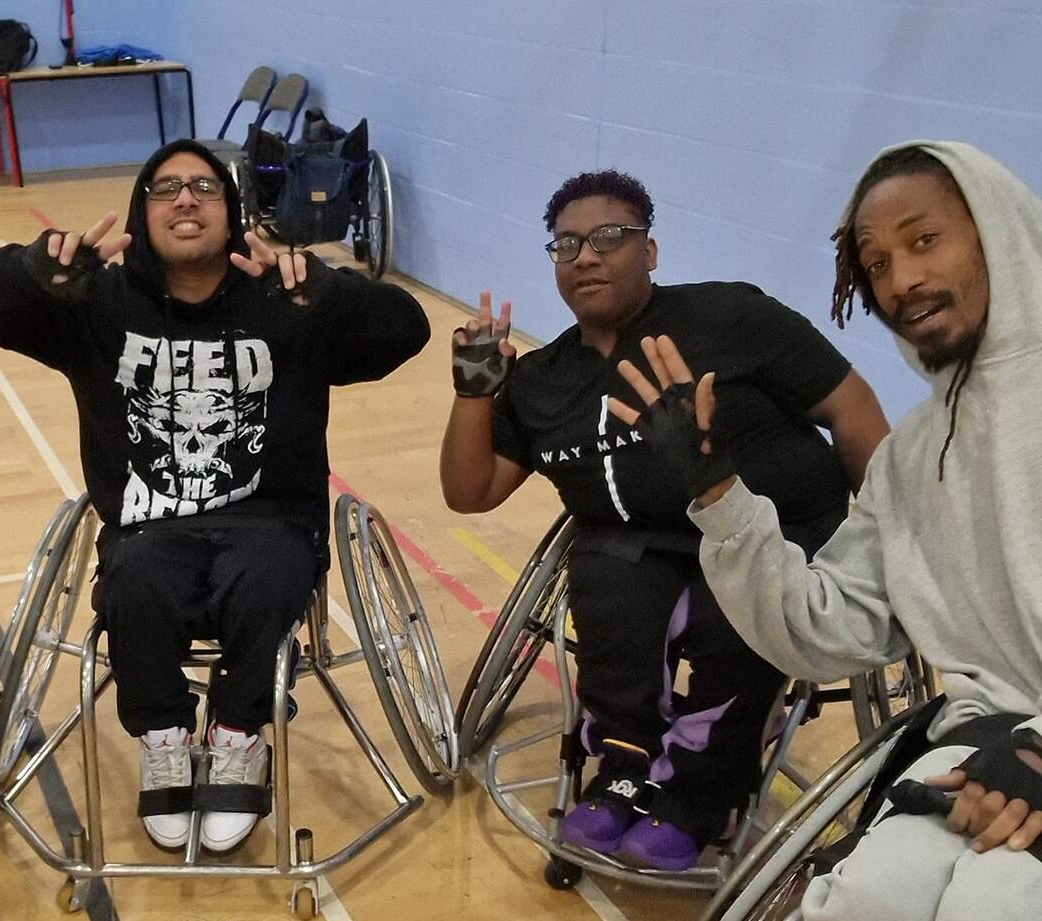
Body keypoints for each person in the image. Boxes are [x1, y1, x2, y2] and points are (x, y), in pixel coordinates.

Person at [0, 139, 428, 853]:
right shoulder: (95, 301)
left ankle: (237, 734)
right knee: (134, 581)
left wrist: (333, 289)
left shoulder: (289, 298)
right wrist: (34, 270)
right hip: (147, 526)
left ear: (234, 214)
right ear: (142, 212)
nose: (186, 199)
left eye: (204, 187)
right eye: (166, 188)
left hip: (270, 521)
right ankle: (165, 736)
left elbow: (407, 329)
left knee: (265, 579)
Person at [609, 141, 1042, 918]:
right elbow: (823, 629)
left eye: (924, 240)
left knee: (995, 902)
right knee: (865, 896)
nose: (902, 280)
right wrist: (716, 493)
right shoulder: (912, 455)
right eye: (875, 264)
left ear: (996, 230)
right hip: (985, 746)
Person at [440, 170, 890, 870]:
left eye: (609, 237)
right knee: (608, 583)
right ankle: (622, 766)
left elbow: (851, 405)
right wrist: (474, 387)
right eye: (566, 243)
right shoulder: (544, 378)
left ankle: (702, 790)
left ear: (650, 251)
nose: (585, 254)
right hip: (636, 541)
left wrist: (892, 533)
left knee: (731, 612)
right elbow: (470, 492)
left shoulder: (732, 317)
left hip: (769, 525)